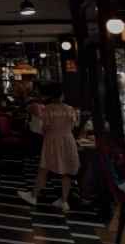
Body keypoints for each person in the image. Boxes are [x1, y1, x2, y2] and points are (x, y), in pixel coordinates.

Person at [18, 82, 80, 212]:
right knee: (66, 171)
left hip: (52, 141)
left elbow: (44, 128)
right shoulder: (70, 109)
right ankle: (64, 201)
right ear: (62, 95)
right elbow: (74, 126)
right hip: (69, 141)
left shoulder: (48, 109)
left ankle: (33, 196)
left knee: (44, 168)